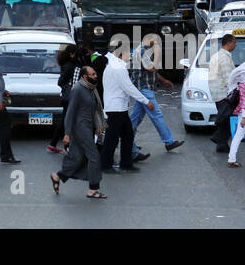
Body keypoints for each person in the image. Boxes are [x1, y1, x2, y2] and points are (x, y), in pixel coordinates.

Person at [50, 62, 105, 198]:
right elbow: (70, 112)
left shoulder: (91, 88)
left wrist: (98, 126)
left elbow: (94, 109)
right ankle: (93, 189)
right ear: (85, 76)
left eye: (95, 73)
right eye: (92, 74)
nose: (95, 76)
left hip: (88, 127)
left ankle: (57, 176)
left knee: (78, 157)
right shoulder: (78, 89)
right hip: (80, 129)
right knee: (94, 157)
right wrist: (67, 133)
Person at [100, 43, 151, 173]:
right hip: (115, 108)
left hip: (118, 108)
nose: (130, 56)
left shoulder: (115, 66)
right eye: (128, 53)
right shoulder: (118, 68)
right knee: (113, 137)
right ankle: (106, 164)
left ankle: (125, 163)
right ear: (121, 54)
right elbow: (129, 88)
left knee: (127, 134)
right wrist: (146, 102)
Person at [129, 37, 183, 154]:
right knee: (156, 115)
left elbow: (150, 71)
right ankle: (169, 142)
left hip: (142, 89)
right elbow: (151, 68)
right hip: (144, 89)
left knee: (135, 118)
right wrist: (158, 54)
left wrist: (163, 80)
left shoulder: (143, 51)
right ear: (151, 41)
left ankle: (127, 142)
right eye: (156, 43)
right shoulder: (142, 52)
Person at [208, 33, 238, 153]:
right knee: (226, 117)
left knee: (225, 117)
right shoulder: (224, 57)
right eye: (235, 43)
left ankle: (222, 144)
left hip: (216, 91)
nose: (235, 45)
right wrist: (235, 90)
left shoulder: (216, 55)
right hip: (223, 92)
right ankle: (218, 138)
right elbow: (229, 77)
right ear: (229, 43)